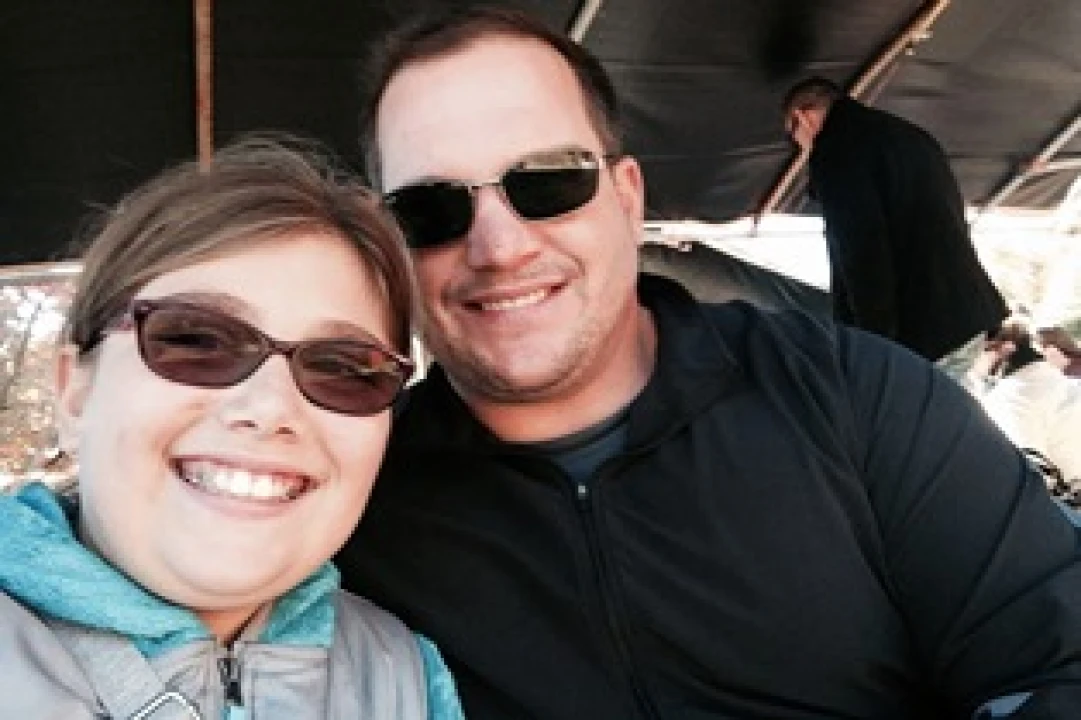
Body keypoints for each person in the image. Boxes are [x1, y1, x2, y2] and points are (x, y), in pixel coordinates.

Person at [337, 7, 1081, 719]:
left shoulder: (857, 398)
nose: (499, 248)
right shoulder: (353, 500)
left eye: (548, 182)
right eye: (428, 208)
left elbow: (1054, 663)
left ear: (628, 200)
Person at [0, 138, 464, 719]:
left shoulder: (401, 678)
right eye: (197, 341)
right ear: (75, 392)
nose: (270, 407)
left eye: (344, 369)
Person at [781, 76, 1009, 364]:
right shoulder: (911, 136)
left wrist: (876, 347)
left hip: (923, 328)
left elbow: (862, 253)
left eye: (795, 137)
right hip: (965, 311)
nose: (802, 149)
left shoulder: (837, 151)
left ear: (804, 117)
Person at [969, 323, 1081, 497]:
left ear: (1005, 349)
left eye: (985, 351)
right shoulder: (1066, 383)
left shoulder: (1006, 399)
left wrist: (977, 377)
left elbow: (1032, 476)